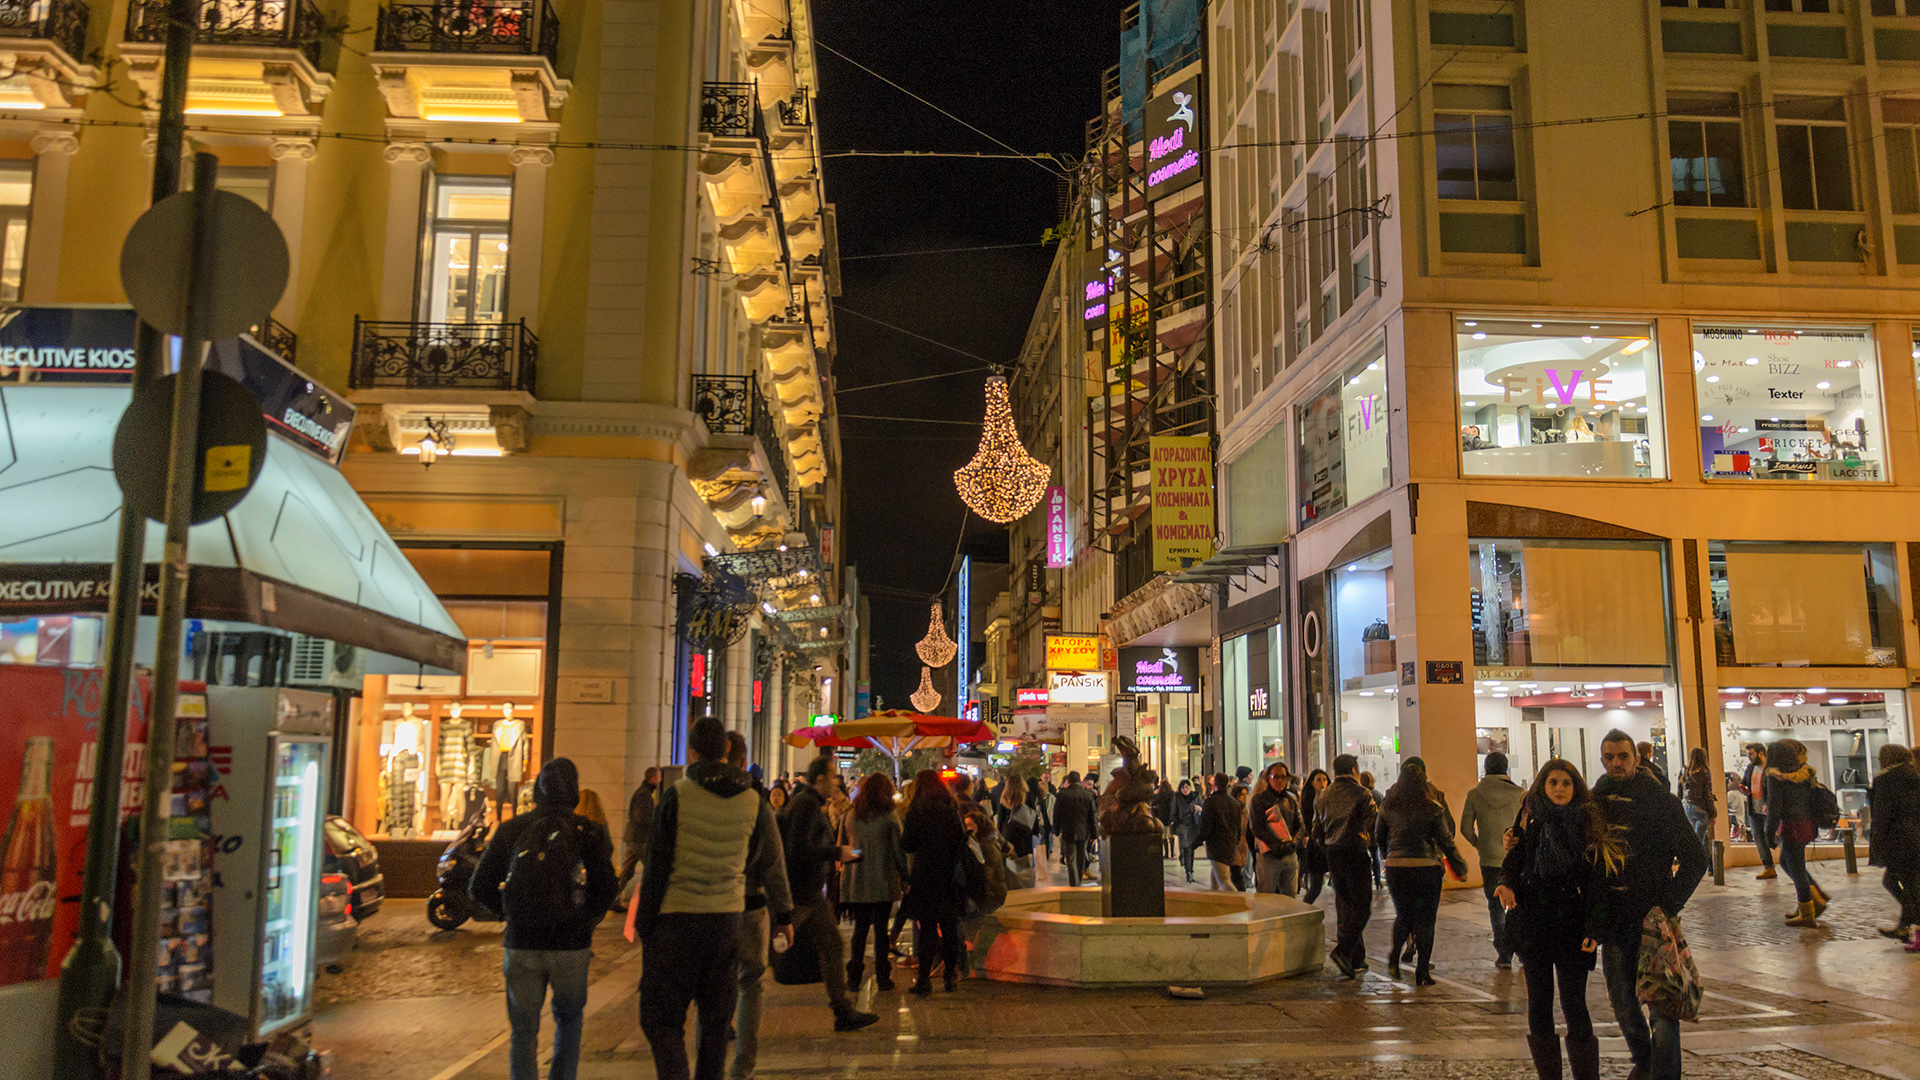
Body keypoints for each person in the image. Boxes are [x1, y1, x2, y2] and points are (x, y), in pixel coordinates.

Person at [635, 720, 790, 1080]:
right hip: (726, 921)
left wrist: (646, 925)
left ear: (692, 752)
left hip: (678, 919)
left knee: (660, 1018)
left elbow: (656, 866)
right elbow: (757, 857)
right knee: (716, 1021)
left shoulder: (678, 795)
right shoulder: (753, 800)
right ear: (726, 753)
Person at [468, 758, 619, 1080]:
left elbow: (479, 886)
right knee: (569, 1020)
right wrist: (586, 919)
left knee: (523, 1031)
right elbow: (607, 886)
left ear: (538, 789)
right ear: (574, 791)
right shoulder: (587, 831)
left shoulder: (512, 829)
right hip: (571, 945)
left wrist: (509, 913)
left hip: (522, 942)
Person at [1590, 730, 1707, 1080]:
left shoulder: (1659, 800)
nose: (1616, 763)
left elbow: (1695, 859)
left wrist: (1667, 904)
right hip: (1613, 919)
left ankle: (1664, 1074)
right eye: (1609, 757)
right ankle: (1646, 1062)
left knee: (1662, 1004)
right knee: (1622, 1003)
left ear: (1636, 759)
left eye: (1622, 756)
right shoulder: (1596, 799)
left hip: (1651, 920)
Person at [1494, 759, 1621, 1080]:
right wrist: (1505, 883)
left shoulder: (1587, 820)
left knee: (1574, 1003)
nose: (1560, 789)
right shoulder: (1529, 816)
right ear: (1543, 785)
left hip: (1573, 923)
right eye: (1553, 783)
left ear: (1575, 786)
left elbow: (1597, 880)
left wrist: (1596, 926)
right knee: (1538, 1004)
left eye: (1566, 783)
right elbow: (1515, 859)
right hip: (1534, 921)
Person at [779, 757, 880, 1031]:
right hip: (801, 893)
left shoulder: (810, 804)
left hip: (810, 894)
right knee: (766, 951)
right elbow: (798, 848)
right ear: (820, 779)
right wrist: (837, 853)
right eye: (832, 776)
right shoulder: (806, 805)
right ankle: (726, 1004)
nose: (836, 781)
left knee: (832, 946)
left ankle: (842, 1010)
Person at [723, 733, 787, 1080]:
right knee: (750, 983)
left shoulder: (687, 796)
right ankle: (742, 1069)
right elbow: (774, 864)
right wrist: (784, 913)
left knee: (715, 985)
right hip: (749, 904)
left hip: (710, 906)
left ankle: (711, 1064)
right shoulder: (755, 802)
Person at [1376, 760, 1462, 986]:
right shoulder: (1433, 806)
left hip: (1397, 868)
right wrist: (1459, 865)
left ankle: (1394, 957)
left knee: (1404, 914)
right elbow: (1447, 838)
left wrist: (1390, 856)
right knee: (1426, 920)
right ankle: (1422, 971)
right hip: (1427, 866)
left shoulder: (1388, 804)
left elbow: (1378, 835)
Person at [900, 769, 969, 994]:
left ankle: (923, 981)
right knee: (949, 927)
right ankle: (950, 977)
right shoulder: (951, 808)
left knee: (927, 929)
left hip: (925, 875)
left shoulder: (917, 810)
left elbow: (907, 844)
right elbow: (961, 839)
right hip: (948, 874)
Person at [1312, 755, 1377, 979]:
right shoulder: (1362, 793)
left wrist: (1327, 847)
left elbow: (1315, 830)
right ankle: (1343, 951)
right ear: (1354, 769)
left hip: (1333, 852)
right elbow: (1373, 824)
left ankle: (1355, 956)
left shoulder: (1322, 795)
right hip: (1355, 851)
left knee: (1345, 904)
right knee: (1362, 905)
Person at [1461, 751, 1526, 969]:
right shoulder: (1520, 795)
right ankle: (1523, 951)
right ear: (1506, 768)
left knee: (1495, 907)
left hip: (1489, 859)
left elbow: (1465, 829)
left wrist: (1480, 845)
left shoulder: (1474, 794)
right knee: (1519, 905)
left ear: (1486, 768)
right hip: (1516, 861)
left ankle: (1504, 953)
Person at [842, 771, 906, 992]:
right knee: (881, 931)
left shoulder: (851, 815)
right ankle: (882, 976)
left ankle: (853, 977)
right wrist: (905, 876)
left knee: (859, 930)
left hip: (856, 881)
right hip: (882, 880)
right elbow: (899, 851)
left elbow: (844, 845)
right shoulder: (890, 817)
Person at [1766, 739, 1828, 928]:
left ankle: (1808, 912)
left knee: (1796, 867)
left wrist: (1769, 832)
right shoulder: (1804, 773)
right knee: (1787, 862)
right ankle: (1812, 899)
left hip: (1792, 825)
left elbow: (1775, 808)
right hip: (1807, 823)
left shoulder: (1776, 776)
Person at [1867, 744, 1920, 947]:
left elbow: (1881, 815)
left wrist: (1877, 844)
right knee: (1908, 883)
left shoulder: (1886, 780)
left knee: (1895, 881)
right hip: (1913, 836)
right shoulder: (1914, 777)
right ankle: (1905, 925)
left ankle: (1911, 921)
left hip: (1896, 839)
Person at [1248, 762, 1303, 895]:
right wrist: (1276, 844)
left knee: (1290, 897)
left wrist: (1292, 842)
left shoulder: (1290, 799)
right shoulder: (1259, 800)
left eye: (1283, 777)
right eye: (1276, 777)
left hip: (1289, 853)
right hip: (1269, 855)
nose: (1280, 781)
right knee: (1267, 896)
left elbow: (1297, 823)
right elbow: (1257, 828)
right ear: (1268, 778)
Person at [618, 766, 663, 901]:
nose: (660, 781)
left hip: (634, 837)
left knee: (627, 871)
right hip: (640, 839)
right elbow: (642, 818)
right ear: (653, 778)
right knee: (652, 868)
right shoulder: (644, 794)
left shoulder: (643, 793)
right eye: (659, 777)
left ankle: (611, 898)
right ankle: (653, 899)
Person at [1053, 770, 1098, 886]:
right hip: (1084, 831)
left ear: (1068, 781)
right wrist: (1094, 834)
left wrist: (1056, 830)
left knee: (1070, 858)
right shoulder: (1087, 795)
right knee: (1080, 858)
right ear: (1080, 780)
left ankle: (1074, 883)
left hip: (1068, 830)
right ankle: (1079, 880)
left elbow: (1057, 813)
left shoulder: (1062, 794)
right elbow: (1092, 816)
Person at [1200, 772, 1244, 891]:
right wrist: (1236, 841)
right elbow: (1238, 826)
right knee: (1216, 878)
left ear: (1215, 784)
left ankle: (1238, 902)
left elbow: (1206, 826)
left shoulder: (1211, 802)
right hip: (1229, 844)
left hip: (1216, 845)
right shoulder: (1234, 803)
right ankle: (1214, 904)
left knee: (1224, 880)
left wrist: (1195, 842)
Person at [1740, 743, 1777, 879]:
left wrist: (1769, 803)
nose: (1749, 757)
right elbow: (1745, 783)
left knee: (1771, 836)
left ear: (1761, 753)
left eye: (1751, 754)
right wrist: (1744, 789)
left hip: (1768, 810)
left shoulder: (1770, 769)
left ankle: (1787, 861)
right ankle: (1768, 867)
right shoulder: (1750, 768)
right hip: (1754, 809)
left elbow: (1774, 790)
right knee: (1758, 838)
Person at [997, 775, 1036, 886]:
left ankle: (1011, 885)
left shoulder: (1004, 800)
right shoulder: (1027, 798)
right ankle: (1024, 885)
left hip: (1008, 836)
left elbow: (1000, 824)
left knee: (1009, 864)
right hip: (1024, 837)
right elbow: (1033, 818)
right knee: (1024, 864)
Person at [1299, 769, 1332, 901]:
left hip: (1330, 843)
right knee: (1315, 887)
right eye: (1318, 780)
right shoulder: (1308, 799)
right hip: (1316, 846)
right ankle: (1304, 910)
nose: (1322, 783)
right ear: (1312, 782)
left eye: (1324, 780)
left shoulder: (1330, 798)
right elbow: (1306, 821)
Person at [1680, 747, 1717, 854]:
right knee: (1698, 840)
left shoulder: (1685, 771)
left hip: (1687, 807)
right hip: (1700, 808)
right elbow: (1708, 794)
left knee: (1703, 839)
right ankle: (1695, 864)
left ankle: (1708, 866)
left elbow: (1680, 791)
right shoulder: (1704, 772)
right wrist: (1713, 813)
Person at [1171, 778, 1202, 883]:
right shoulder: (1177, 798)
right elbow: (1173, 813)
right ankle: (1189, 871)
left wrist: (1199, 809)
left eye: (1187, 787)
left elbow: (1203, 808)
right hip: (1183, 826)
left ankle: (1190, 870)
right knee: (1187, 848)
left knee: (1191, 848)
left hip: (1193, 826)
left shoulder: (1196, 797)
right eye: (1183, 787)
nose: (1185, 789)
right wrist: (1178, 822)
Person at [1361, 770, 1386, 887]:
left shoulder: (1361, 794)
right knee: (1375, 854)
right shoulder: (1378, 794)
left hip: (1363, 829)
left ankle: (1366, 880)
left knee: (1363, 855)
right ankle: (1378, 881)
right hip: (1375, 828)